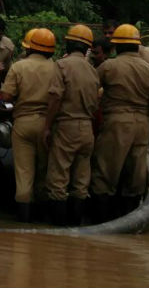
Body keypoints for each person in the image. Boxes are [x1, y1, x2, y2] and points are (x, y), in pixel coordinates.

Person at [90, 24, 149, 223]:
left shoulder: (109, 66)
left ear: (116, 46)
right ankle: (129, 226)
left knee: (105, 174)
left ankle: (102, 224)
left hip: (117, 122)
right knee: (135, 176)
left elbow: (90, 89)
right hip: (143, 124)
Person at [43, 25, 100, 226]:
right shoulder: (93, 71)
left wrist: (47, 126)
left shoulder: (61, 65)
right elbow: (96, 104)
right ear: (87, 48)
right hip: (87, 128)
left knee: (58, 180)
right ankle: (76, 228)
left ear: (68, 43)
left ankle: (58, 231)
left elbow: (55, 98)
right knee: (81, 182)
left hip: (66, 126)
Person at [0, 28, 56, 222]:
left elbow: (6, 97)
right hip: (47, 124)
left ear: (30, 47)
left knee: (24, 174)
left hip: (23, 123)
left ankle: (23, 221)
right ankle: (43, 221)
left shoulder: (18, 67)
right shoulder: (57, 68)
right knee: (44, 172)